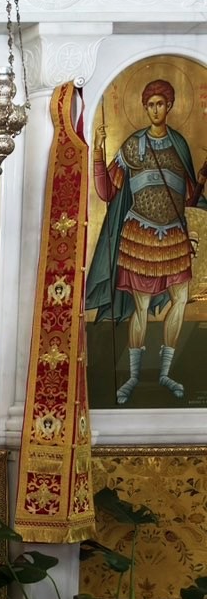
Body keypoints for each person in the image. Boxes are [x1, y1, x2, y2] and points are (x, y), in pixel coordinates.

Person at [85, 77, 201, 402]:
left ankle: (165, 373)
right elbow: (106, 191)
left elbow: (190, 198)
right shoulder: (133, 146)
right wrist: (98, 152)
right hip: (141, 236)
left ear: (170, 106)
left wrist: (197, 213)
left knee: (181, 299)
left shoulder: (179, 145)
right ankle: (134, 376)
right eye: (150, 104)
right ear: (144, 108)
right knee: (142, 306)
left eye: (160, 104)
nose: (155, 109)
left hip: (174, 236)